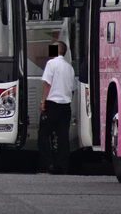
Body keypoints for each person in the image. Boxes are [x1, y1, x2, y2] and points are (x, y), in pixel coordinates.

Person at [38, 41, 76, 174]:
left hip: (52, 104)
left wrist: (42, 102)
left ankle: (48, 164)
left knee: (43, 133)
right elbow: (72, 89)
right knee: (63, 136)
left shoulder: (51, 64)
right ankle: (63, 166)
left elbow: (47, 84)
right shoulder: (69, 67)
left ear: (57, 50)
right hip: (66, 106)